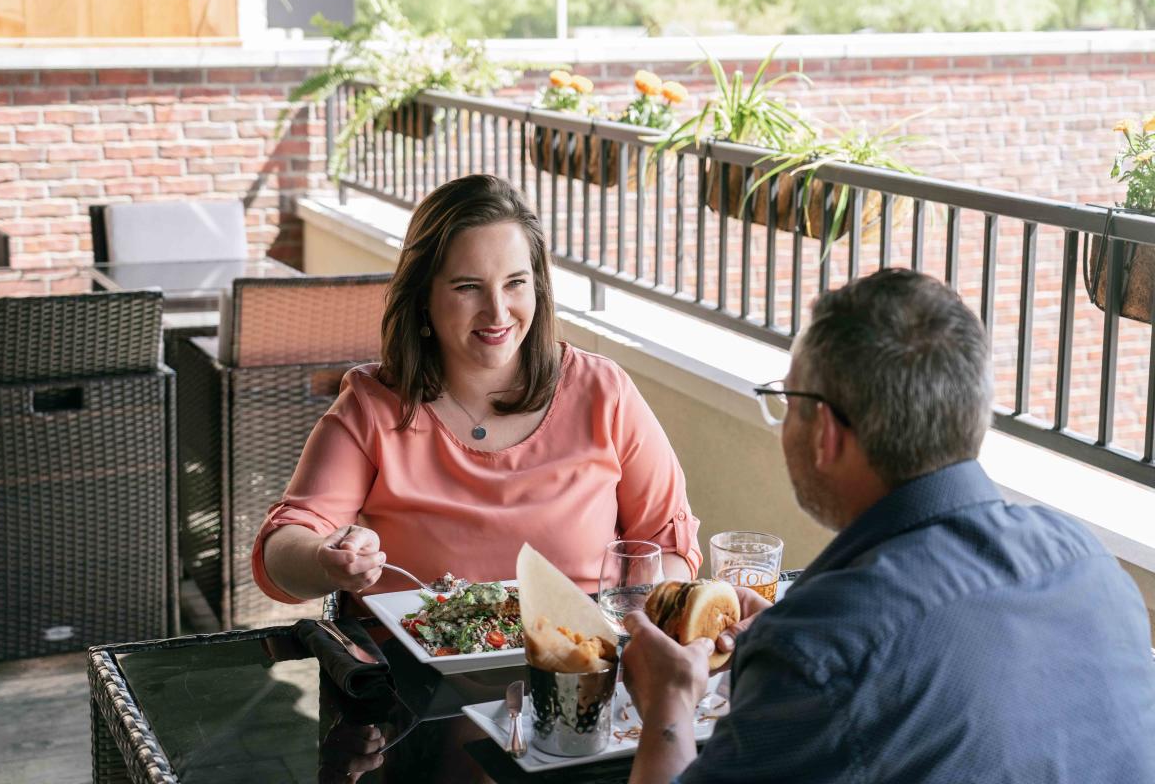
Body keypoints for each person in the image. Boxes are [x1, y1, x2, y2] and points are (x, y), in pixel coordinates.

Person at [622, 269, 1155, 783]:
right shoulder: (1089, 564)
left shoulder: (819, 649)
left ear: (825, 433)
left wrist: (668, 703)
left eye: (788, 400)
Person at [250, 174, 700, 607]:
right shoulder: (374, 407)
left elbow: (669, 545)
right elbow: (282, 550)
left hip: (576, 666)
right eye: (468, 287)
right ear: (423, 294)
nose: (497, 311)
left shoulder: (604, 392)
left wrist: (637, 618)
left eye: (516, 283)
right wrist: (325, 561)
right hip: (412, 677)